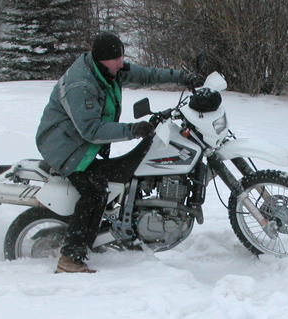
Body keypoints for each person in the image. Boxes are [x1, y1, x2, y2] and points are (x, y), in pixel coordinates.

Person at [36, 32, 195, 273]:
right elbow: (91, 129)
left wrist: (184, 78)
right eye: (117, 59)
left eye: (122, 57)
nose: (122, 64)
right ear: (102, 60)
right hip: (64, 146)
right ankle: (70, 258)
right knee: (95, 191)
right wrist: (132, 129)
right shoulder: (82, 84)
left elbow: (146, 75)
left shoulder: (108, 69)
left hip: (81, 141)